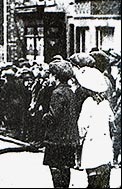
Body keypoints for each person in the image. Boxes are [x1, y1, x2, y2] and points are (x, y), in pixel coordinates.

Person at [76, 64, 114, 188]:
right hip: (104, 144)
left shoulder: (88, 103)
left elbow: (82, 126)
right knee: (104, 179)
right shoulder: (105, 103)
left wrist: (80, 139)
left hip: (92, 144)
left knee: (92, 180)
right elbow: (111, 119)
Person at [42, 59, 78, 188]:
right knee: (65, 168)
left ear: (55, 76)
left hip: (56, 138)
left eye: (51, 74)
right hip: (69, 138)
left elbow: (53, 116)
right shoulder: (71, 92)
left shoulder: (57, 93)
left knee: (55, 167)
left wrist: (44, 117)